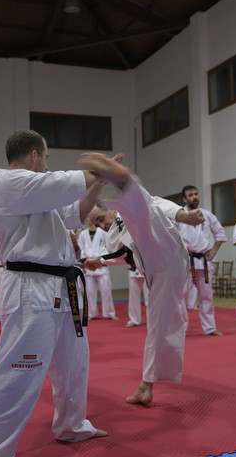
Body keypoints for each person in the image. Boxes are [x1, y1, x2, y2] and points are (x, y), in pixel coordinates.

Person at [0, 130, 107, 457]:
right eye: (46, 157)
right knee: (19, 368)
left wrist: (100, 183)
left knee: (74, 363)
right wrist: (104, 171)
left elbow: (76, 213)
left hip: (63, 285)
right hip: (31, 285)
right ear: (33, 155)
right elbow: (64, 181)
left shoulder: (40, 195)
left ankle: (72, 425)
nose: (47, 164)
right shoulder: (9, 184)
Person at [83, 153, 204, 405]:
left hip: (167, 253)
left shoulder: (124, 215)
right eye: (95, 223)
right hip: (156, 267)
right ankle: (147, 384)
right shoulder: (110, 239)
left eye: (101, 218)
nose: (101, 225)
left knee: (146, 215)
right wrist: (100, 261)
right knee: (159, 325)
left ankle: (125, 181)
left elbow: (159, 204)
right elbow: (119, 255)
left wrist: (184, 216)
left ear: (108, 210)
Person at [177, 185, 226, 336]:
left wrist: (214, 251)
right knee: (181, 296)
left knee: (206, 296)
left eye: (196, 194)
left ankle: (209, 327)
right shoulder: (179, 216)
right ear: (184, 199)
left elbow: (220, 234)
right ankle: (181, 329)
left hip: (204, 260)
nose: (194, 197)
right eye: (190, 195)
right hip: (185, 261)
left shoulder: (207, 215)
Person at [78, 223, 118, 320]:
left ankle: (110, 313)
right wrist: (86, 261)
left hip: (101, 264)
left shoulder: (103, 233)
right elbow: (80, 249)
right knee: (90, 292)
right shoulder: (83, 234)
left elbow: (108, 248)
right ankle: (91, 313)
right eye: (88, 218)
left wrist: (100, 260)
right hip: (88, 266)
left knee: (106, 291)